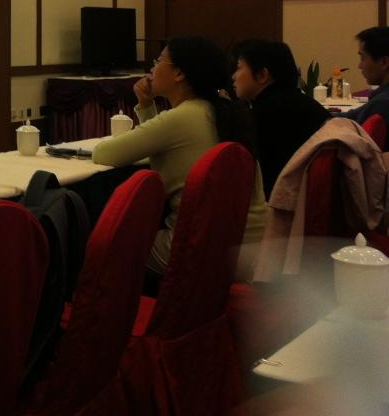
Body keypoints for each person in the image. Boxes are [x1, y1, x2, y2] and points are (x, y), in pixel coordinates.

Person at [92, 36, 267, 275]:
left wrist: (146, 108)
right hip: (252, 248)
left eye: (158, 61)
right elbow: (162, 140)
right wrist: (147, 107)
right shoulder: (228, 112)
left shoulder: (182, 117)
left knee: (109, 239)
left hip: (202, 251)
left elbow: (105, 153)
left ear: (179, 74)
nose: (152, 68)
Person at [232, 39, 330, 198]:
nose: (234, 76)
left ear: (262, 75)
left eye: (238, 68)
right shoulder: (304, 103)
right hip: (312, 198)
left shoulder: (264, 114)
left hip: (285, 203)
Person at [334, 26, 389, 127]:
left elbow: (350, 125)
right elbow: (351, 116)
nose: (359, 66)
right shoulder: (380, 97)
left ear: (384, 62)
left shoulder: (382, 103)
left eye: (363, 58)